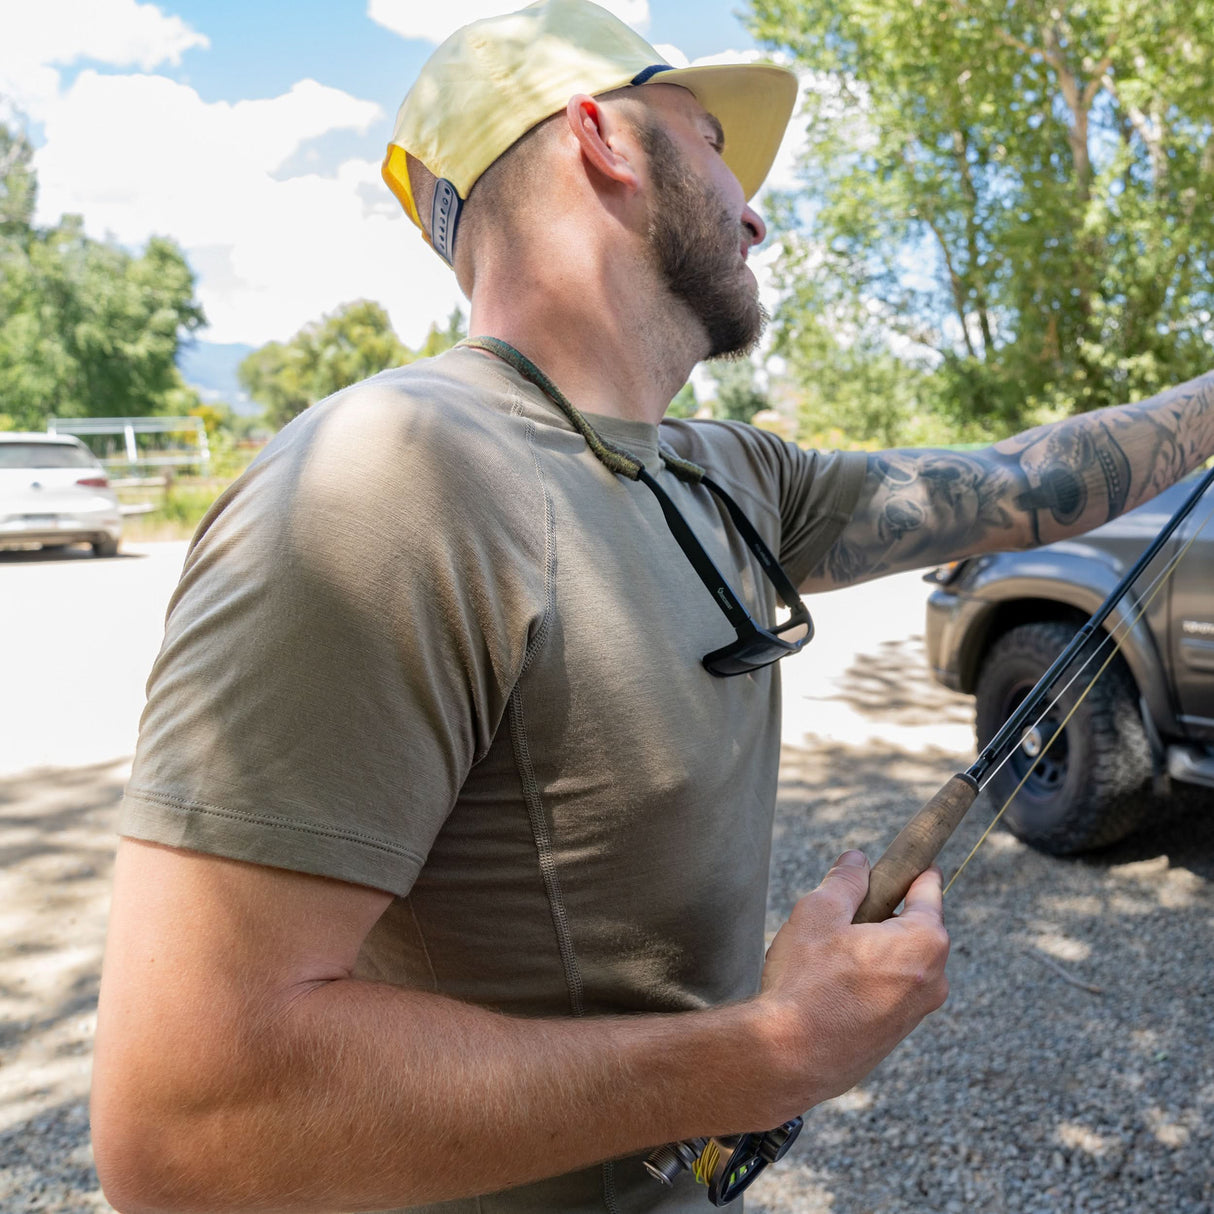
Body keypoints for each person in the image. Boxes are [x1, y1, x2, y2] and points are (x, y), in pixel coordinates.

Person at [90, 2, 1214, 1212]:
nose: (754, 213)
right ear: (602, 137)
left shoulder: (730, 472)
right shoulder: (390, 479)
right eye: (712, 144)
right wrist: (768, 1050)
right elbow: (185, 1124)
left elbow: (1024, 485)